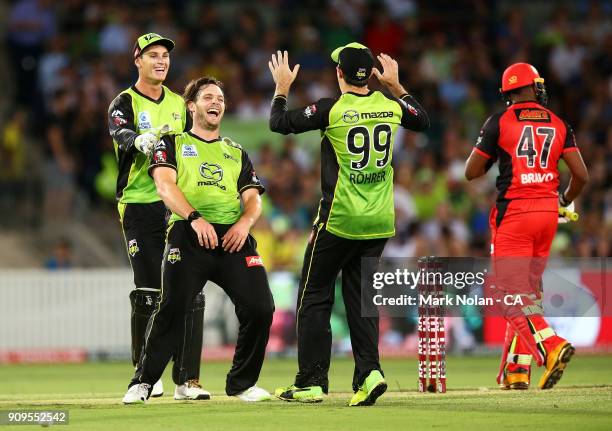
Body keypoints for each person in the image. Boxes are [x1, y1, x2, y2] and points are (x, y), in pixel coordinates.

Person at [268, 43, 429, 406]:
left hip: (339, 219)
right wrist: (396, 85)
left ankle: (311, 381)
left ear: (340, 74)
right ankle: (370, 374)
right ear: (369, 74)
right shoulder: (389, 106)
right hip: (379, 222)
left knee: (313, 295)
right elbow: (423, 119)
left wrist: (281, 88)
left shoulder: (332, 109)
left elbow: (278, 123)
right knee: (361, 300)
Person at [122, 76, 274, 404]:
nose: (215, 102)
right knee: (174, 307)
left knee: (261, 307)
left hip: (232, 237)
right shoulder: (172, 143)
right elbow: (165, 186)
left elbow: (253, 198)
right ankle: (143, 382)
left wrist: (245, 224)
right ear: (192, 106)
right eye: (207, 97)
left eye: (220, 98)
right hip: (189, 234)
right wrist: (194, 218)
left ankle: (241, 384)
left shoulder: (235, 151)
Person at [465, 62, 589, 390]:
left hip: (515, 215)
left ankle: (550, 347)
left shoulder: (499, 122)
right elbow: (582, 176)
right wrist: (563, 200)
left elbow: (471, 171)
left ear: (509, 92)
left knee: (508, 294)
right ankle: (516, 371)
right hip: (548, 215)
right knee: (527, 293)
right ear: (533, 87)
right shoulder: (560, 123)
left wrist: (493, 154)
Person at [108, 33, 208, 400]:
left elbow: (192, 147)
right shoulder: (125, 101)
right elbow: (119, 130)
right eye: (153, 55)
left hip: (175, 203)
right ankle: (146, 375)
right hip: (138, 203)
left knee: (189, 290)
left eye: (165, 55)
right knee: (150, 291)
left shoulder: (181, 105)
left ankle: (187, 380)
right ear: (138, 60)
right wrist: (139, 140)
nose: (161, 60)